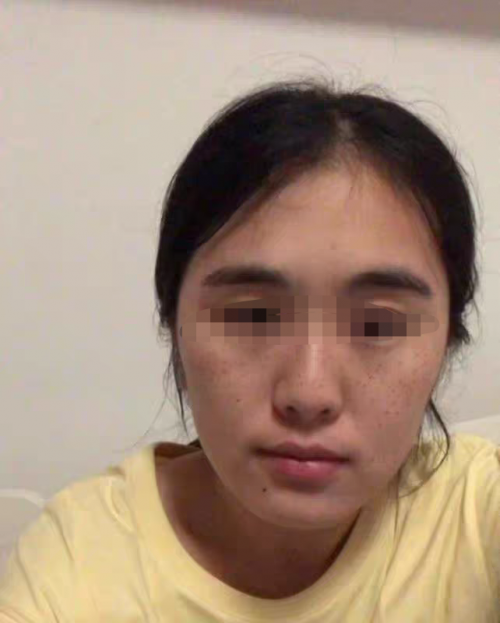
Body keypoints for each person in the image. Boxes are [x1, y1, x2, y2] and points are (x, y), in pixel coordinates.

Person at [0, 78, 498, 622]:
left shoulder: (475, 518)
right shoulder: (84, 561)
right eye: (252, 316)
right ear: (173, 323)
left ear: (447, 344)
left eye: (378, 325)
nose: (309, 392)